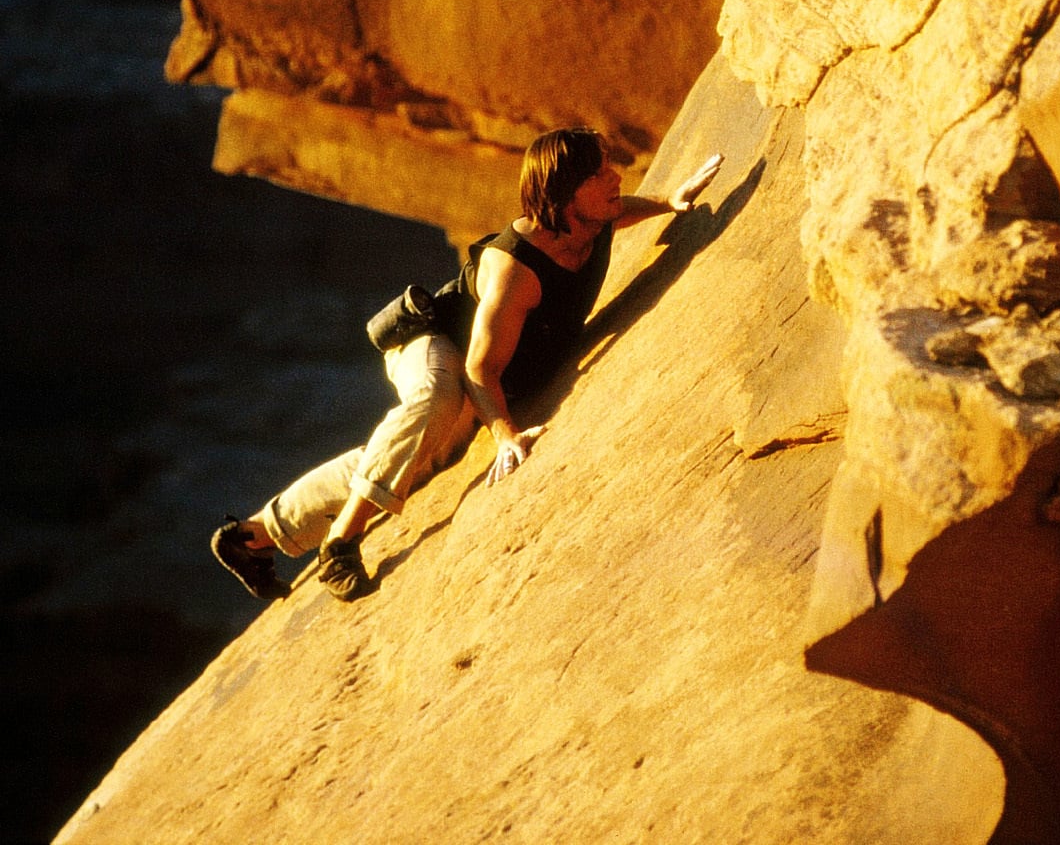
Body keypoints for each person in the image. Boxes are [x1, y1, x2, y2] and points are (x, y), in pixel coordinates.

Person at [212, 128, 724, 601]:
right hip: (434, 344)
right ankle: (340, 546)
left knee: (411, 454)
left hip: (476, 362)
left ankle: (254, 536)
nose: (614, 178)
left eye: (608, 168)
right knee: (439, 402)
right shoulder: (517, 269)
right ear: (564, 194)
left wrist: (666, 202)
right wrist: (504, 434)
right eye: (598, 174)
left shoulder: (587, 218)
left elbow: (615, 211)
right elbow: (479, 371)